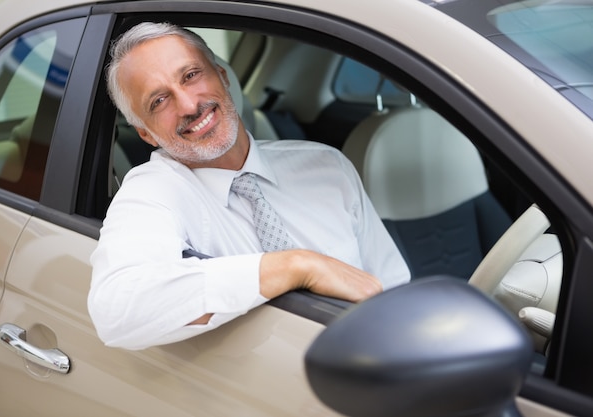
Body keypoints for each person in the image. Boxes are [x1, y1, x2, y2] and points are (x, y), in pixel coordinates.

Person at [88, 22, 410, 350]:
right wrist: (297, 266)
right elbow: (116, 309)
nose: (187, 105)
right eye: (159, 101)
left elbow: (395, 289)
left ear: (223, 77)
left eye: (190, 75)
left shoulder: (327, 166)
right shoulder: (152, 190)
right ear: (146, 133)